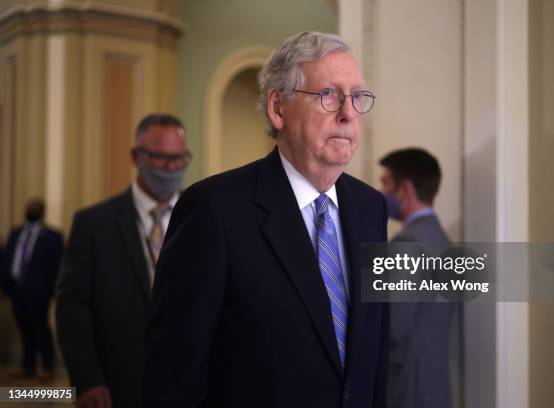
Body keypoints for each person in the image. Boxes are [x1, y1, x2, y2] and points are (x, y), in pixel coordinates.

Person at [144, 31, 389, 408]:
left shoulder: (370, 208)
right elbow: (173, 375)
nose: (347, 113)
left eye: (357, 97)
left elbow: (374, 356)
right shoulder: (213, 210)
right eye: (328, 95)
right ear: (278, 108)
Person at [55, 113, 191, 408]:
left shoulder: (201, 218)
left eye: (179, 158)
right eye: (159, 157)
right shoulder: (94, 224)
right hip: (118, 385)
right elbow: (72, 308)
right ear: (136, 156)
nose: (171, 168)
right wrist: (87, 380)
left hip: (188, 386)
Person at [379, 148, 457, 408]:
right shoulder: (443, 241)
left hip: (407, 387)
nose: (382, 193)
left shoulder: (406, 243)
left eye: (386, 184)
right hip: (434, 384)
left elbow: (393, 325)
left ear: (406, 190)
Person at [0, 198, 63, 380]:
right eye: (29, 206)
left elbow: (58, 265)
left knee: (41, 328)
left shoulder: (52, 236)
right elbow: (7, 259)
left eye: (35, 207)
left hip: (39, 291)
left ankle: (48, 367)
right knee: (24, 328)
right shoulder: (15, 233)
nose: (31, 209)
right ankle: (27, 366)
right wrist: (4, 286)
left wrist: (53, 290)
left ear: (42, 211)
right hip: (16, 289)